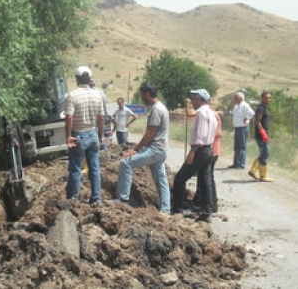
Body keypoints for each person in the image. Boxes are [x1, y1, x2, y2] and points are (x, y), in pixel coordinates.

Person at [113, 82, 171, 214]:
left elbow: (150, 133)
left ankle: (122, 199)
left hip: (155, 149)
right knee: (161, 180)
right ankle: (166, 210)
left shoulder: (157, 109)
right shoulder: (162, 107)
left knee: (125, 163)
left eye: (143, 95)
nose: (142, 98)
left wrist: (136, 150)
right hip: (162, 150)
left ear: (147, 94)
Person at [172, 89, 217, 223]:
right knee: (205, 181)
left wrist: (193, 151)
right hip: (208, 149)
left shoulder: (202, 114)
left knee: (180, 179)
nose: (192, 101)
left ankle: (178, 209)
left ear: (199, 99)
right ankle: (207, 212)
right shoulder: (212, 114)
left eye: (194, 98)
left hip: (200, 150)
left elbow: (201, 134)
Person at [65, 66, 105, 204]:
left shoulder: (73, 95)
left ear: (77, 79)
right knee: (94, 168)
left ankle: (73, 199)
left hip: (78, 136)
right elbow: (101, 118)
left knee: (76, 169)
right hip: (93, 134)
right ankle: (96, 198)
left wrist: (68, 136)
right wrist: (100, 135)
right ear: (89, 79)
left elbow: (69, 117)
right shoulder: (97, 95)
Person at [185, 98, 223, 213]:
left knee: (204, 179)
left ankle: (200, 205)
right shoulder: (208, 114)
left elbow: (219, 133)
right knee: (207, 178)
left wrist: (206, 135)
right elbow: (190, 114)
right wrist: (187, 105)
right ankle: (211, 206)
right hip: (211, 150)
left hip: (210, 150)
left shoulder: (212, 115)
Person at [248, 91, 274, 182]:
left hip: (264, 134)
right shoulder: (260, 108)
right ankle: (262, 175)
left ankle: (253, 171)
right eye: (266, 97)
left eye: (269, 97)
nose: (268, 99)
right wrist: (262, 132)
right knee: (265, 153)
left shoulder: (265, 108)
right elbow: (257, 121)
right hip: (260, 135)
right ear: (262, 98)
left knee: (264, 153)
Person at [228, 91, 255, 169]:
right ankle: (236, 163)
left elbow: (252, 113)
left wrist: (247, 118)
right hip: (237, 128)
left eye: (235, 98)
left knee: (242, 146)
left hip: (243, 128)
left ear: (240, 98)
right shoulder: (237, 106)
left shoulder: (245, 105)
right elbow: (233, 113)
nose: (234, 99)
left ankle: (241, 164)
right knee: (237, 146)